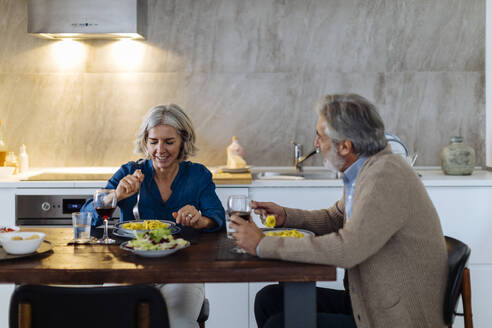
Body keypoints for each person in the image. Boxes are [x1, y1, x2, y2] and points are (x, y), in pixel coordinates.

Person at [230, 94, 448, 328]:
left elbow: (348, 249)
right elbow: (335, 218)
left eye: (320, 137)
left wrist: (262, 244)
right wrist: (286, 215)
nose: (316, 144)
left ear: (345, 146)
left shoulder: (385, 176)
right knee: (269, 300)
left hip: (395, 319)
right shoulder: (366, 170)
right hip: (369, 302)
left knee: (280, 324)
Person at [82, 104, 225, 328]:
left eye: (169, 142)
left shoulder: (198, 176)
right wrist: (116, 196)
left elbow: (217, 217)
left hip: (183, 271)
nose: (160, 150)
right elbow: (87, 215)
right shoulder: (130, 172)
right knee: (112, 318)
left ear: (183, 142)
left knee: (177, 321)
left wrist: (200, 220)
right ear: (145, 142)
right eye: (153, 142)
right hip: (130, 268)